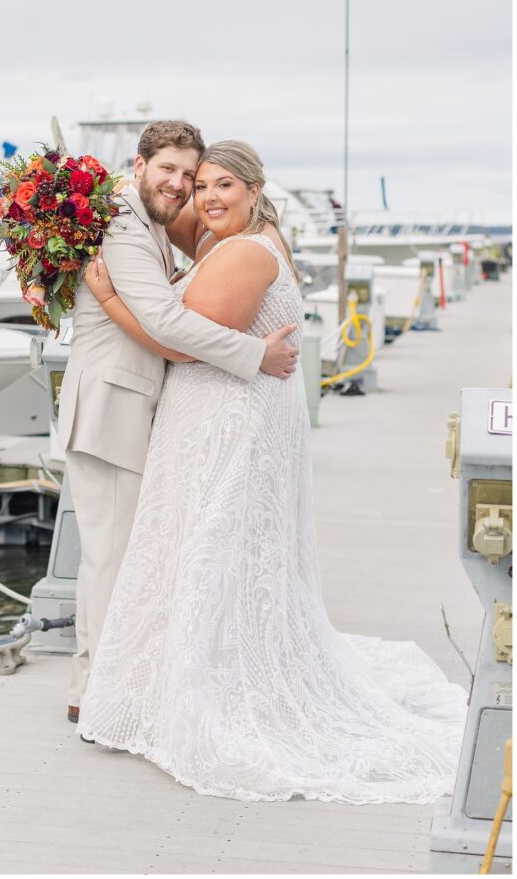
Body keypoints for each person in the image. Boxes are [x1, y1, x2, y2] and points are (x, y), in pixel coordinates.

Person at [76, 140, 467, 804]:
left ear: (255, 190)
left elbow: (182, 344)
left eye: (223, 185)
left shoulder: (245, 254)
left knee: (211, 552)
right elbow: (157, 216)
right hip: (226, 418)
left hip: (226, 419)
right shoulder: (242, 240)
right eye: (201, 186)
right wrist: (108, 198)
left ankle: (200, 689)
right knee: (218, 555)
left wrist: (108, 296)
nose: (208, 198)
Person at [56, 122, 299, 724]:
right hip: (113, 407)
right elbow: (168, 325)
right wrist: (254, 355)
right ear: (139, 164)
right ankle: (93, 694)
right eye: (171, 170)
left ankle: (115, 683)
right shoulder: (122, 223)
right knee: (111, 557)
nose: (182, 185)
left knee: (130, 554)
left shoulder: (154, 219)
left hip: (138, 405)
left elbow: (213, 243)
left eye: (191, 176)